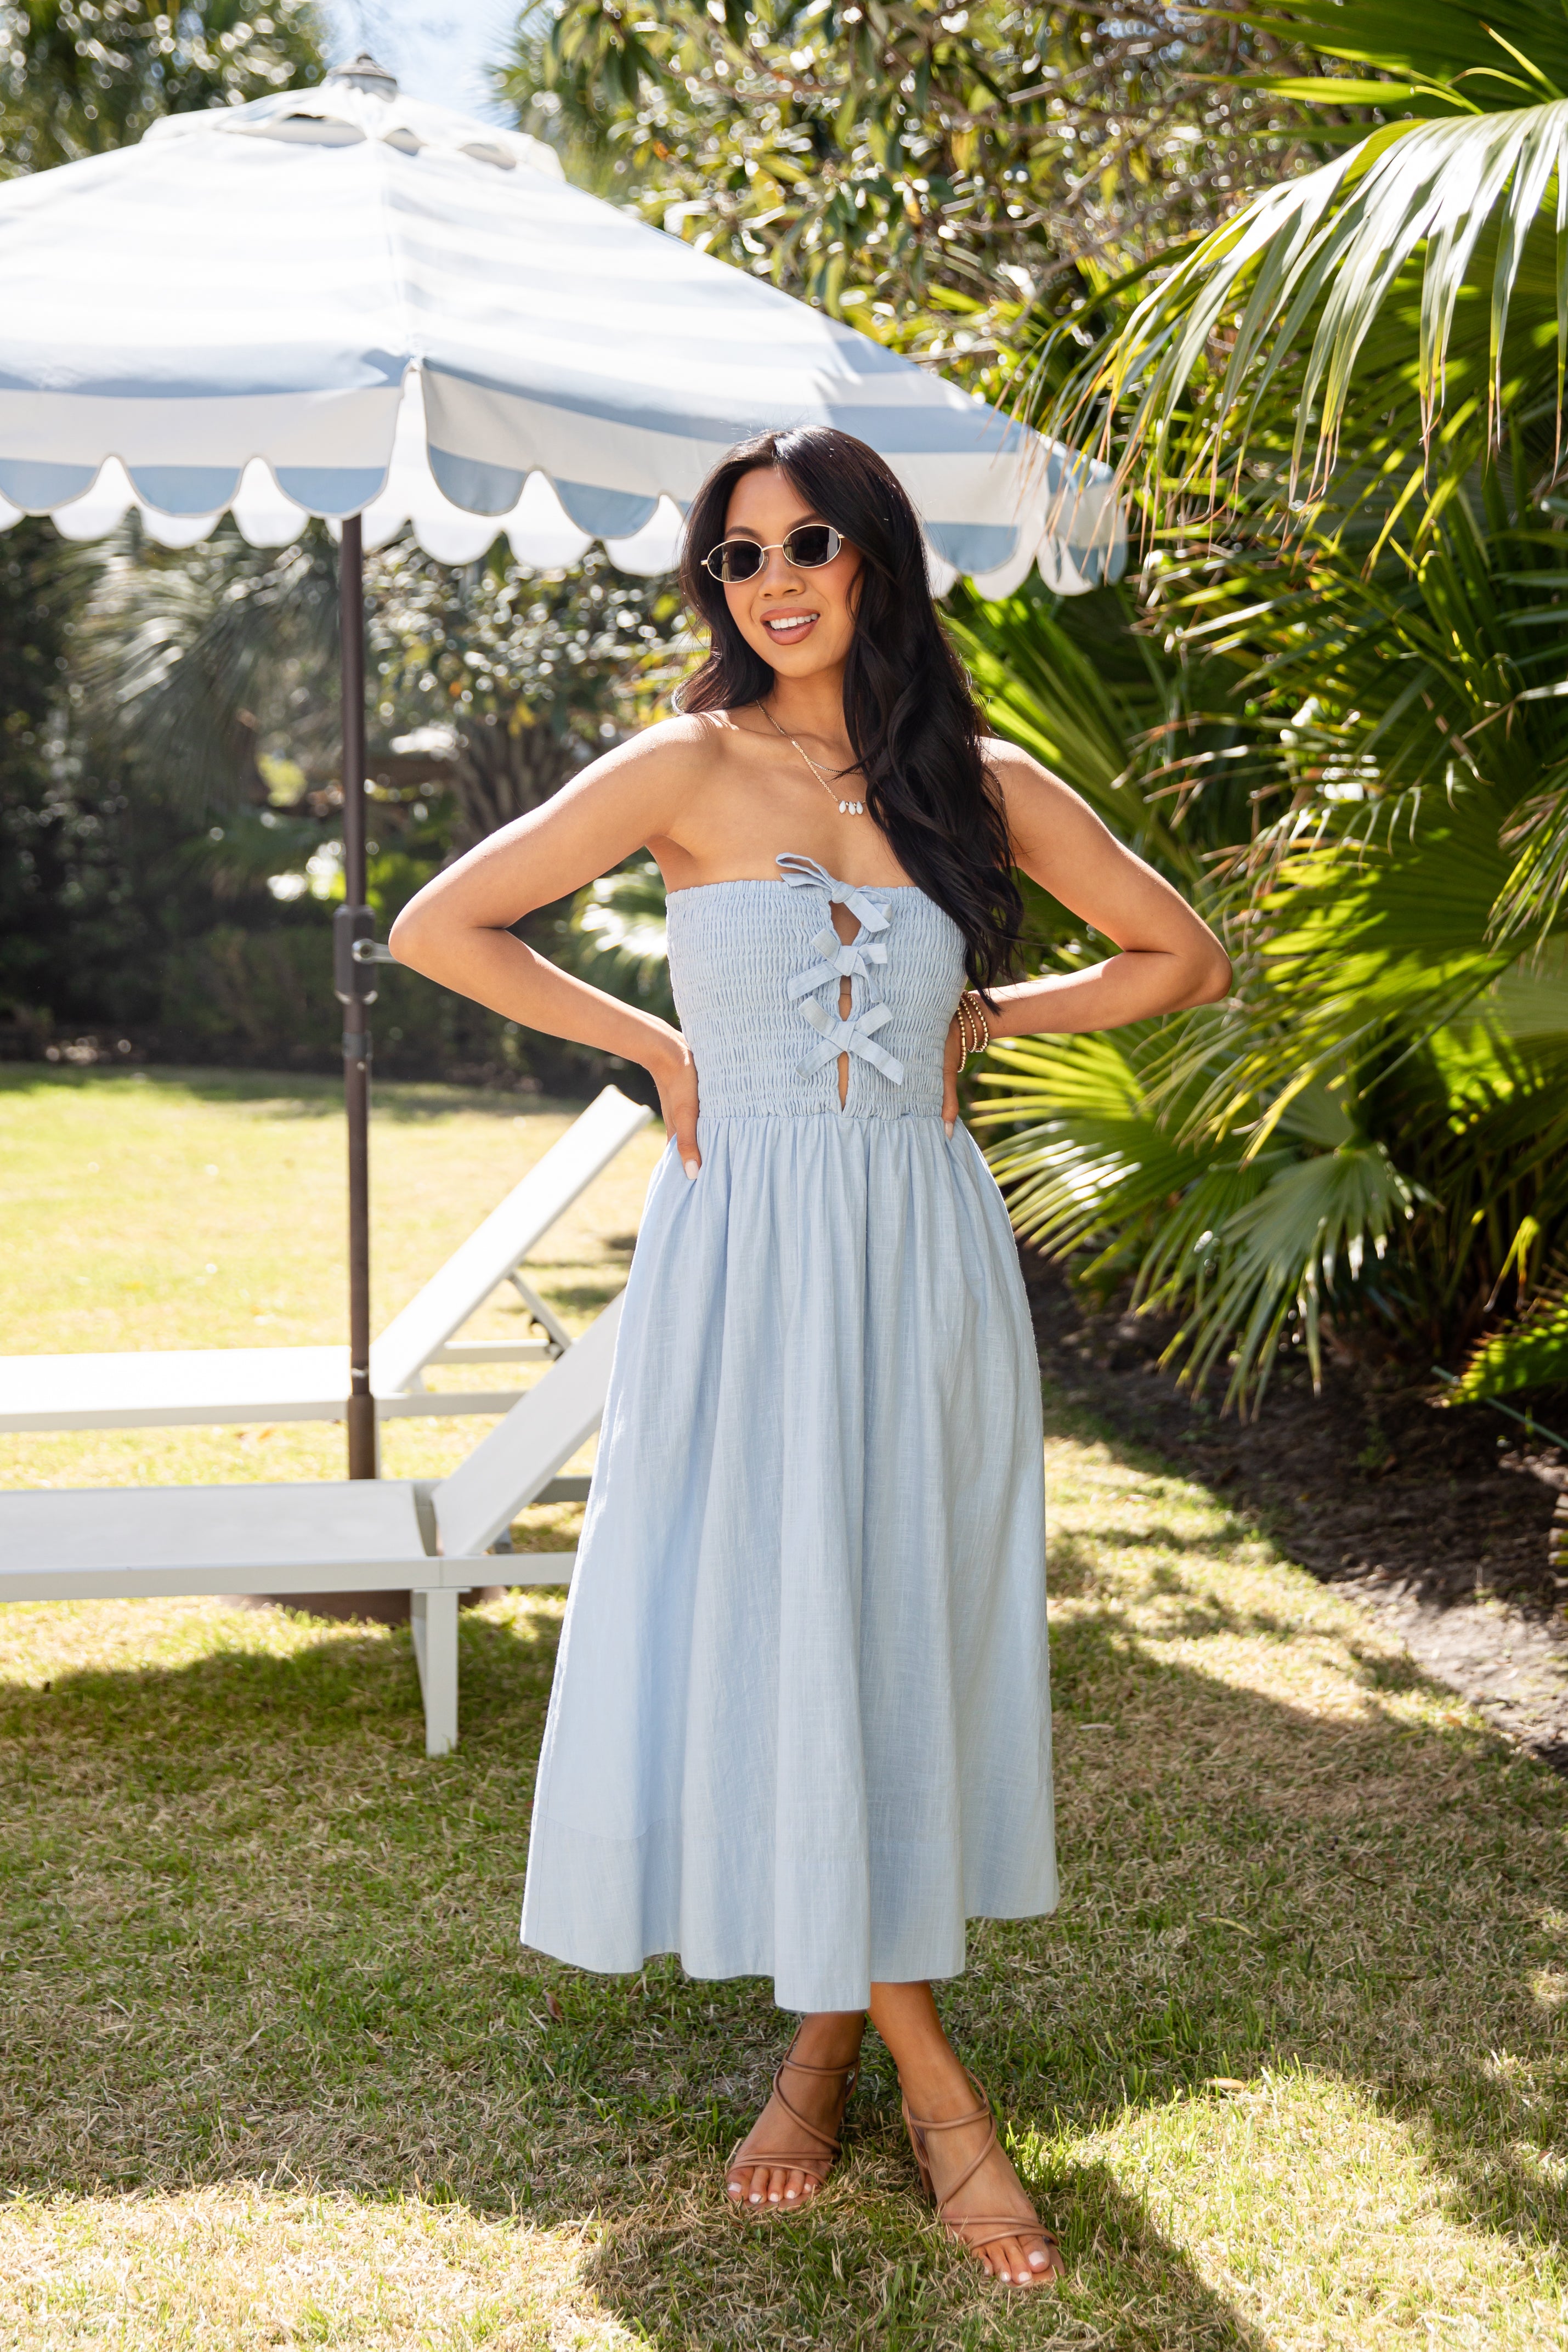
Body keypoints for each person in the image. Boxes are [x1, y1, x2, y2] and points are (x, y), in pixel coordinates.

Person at [390, 426, 1231, 2288]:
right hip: (744, 1257)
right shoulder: (681, 763)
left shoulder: (979, 784)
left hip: (921, 1255)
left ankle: (822, 2046)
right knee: (780, 1623)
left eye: (809, 543)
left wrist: (991, 1011)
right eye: (738, 555)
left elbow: (1180, 956)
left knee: (893, 1634)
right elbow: (444, 924)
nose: (771, 580)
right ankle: (935, 2092)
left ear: (874, 565)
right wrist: (662, 1052)